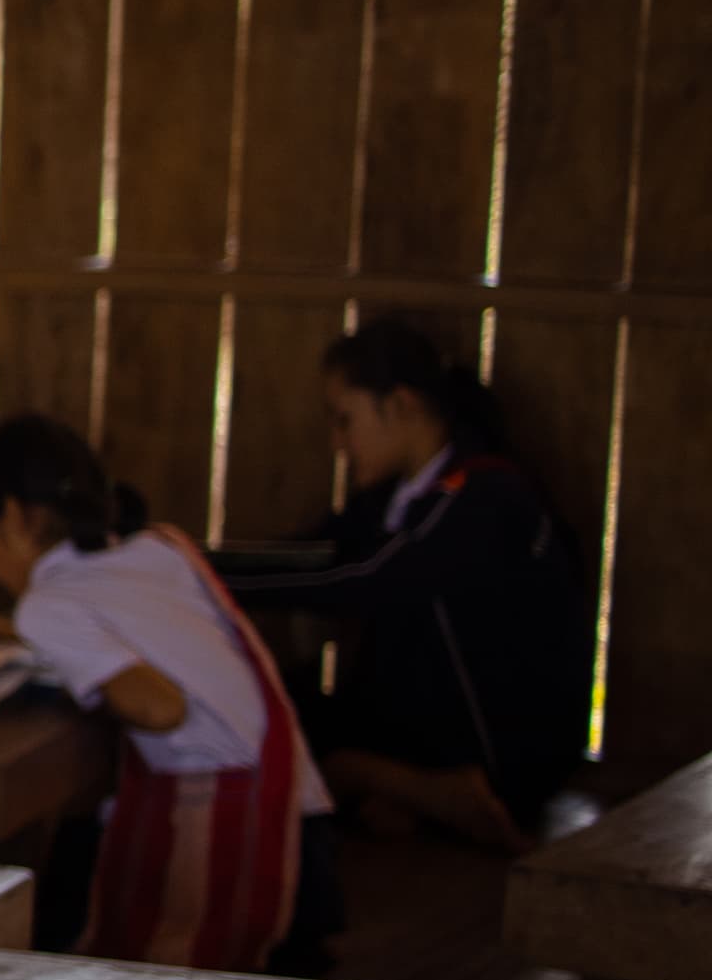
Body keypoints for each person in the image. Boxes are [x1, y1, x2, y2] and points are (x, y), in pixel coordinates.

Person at [0, 416, 331, 969]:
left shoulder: (47, 606)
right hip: (305, 822)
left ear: (13, 517)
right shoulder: (158, 549)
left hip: (238, 840)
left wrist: (53, 649)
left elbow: (161, 707)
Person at [237, 318, 588, 854]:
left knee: (302, 743)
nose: (338, 443)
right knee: (272, 711)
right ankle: (405, 792)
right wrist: (202, 564)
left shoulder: (483, 495)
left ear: (400, 406)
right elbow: (314, 553)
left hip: (504, 752)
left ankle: (396, 782)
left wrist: (211, 577)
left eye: (344, 420)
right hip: (432, 730)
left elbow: (367, 580)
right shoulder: (396, 497)